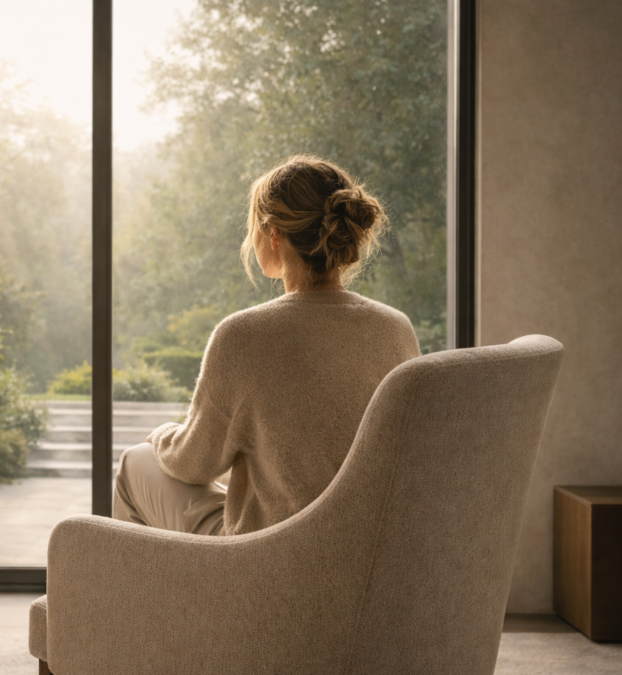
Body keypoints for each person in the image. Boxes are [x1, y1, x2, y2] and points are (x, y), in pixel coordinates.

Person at [113, 154, 422, 536]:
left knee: (135, 462)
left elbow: (193, 463)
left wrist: (162, 433)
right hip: (368, 555)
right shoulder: (396, 329)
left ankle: (141, 595)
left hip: (268, 563)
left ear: (273, 234)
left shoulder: (243, 336)